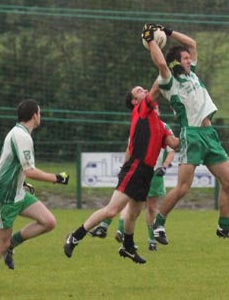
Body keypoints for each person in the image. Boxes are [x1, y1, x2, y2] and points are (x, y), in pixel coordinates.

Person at [142, 23, 229, 244]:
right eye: (186, 58)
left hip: (210, 135)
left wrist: (168, 32)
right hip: (192, 135)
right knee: (183, 188)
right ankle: (159, 224)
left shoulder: (193, 75)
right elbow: (161, 62)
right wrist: (151, 39)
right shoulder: (169, 81)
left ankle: (224, 226)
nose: (190, 59)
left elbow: (191, 43)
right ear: (177, 62)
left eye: (190, 58)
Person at [63, 81, 179, 264]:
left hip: (147, 172)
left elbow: (174, 144)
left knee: (133, 214)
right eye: (139, 91)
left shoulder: (160, 124)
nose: (145, 90)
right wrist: (164, 66)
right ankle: (74, 237)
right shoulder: (141, 110)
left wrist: (191, 127)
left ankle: (128, 247)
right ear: (135, 101)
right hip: (135, 167)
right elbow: (158, 86)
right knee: (112, 211)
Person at [0, 99, 69, 295]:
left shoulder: (20, 134)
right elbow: (30, 170)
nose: (40, 116)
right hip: (2, 198)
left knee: (48, 221)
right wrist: (56, 178)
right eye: (39, 112)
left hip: (17, 193)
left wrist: (22, 183)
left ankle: (12, 245)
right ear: (34, 115)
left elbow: (12, 166)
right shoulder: (21, 136)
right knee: (1, 244)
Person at [89, 109, 175, 251]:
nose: (154, 111)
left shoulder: (164, 127)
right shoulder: (139, 125)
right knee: (127, 202)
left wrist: (165, 166)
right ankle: (110, 228)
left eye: (156, 108)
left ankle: (150, 241)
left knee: (150, 207)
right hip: (137, 171)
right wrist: (125, 167)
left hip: (154, 173)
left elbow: (172, 150)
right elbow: (130, 149)